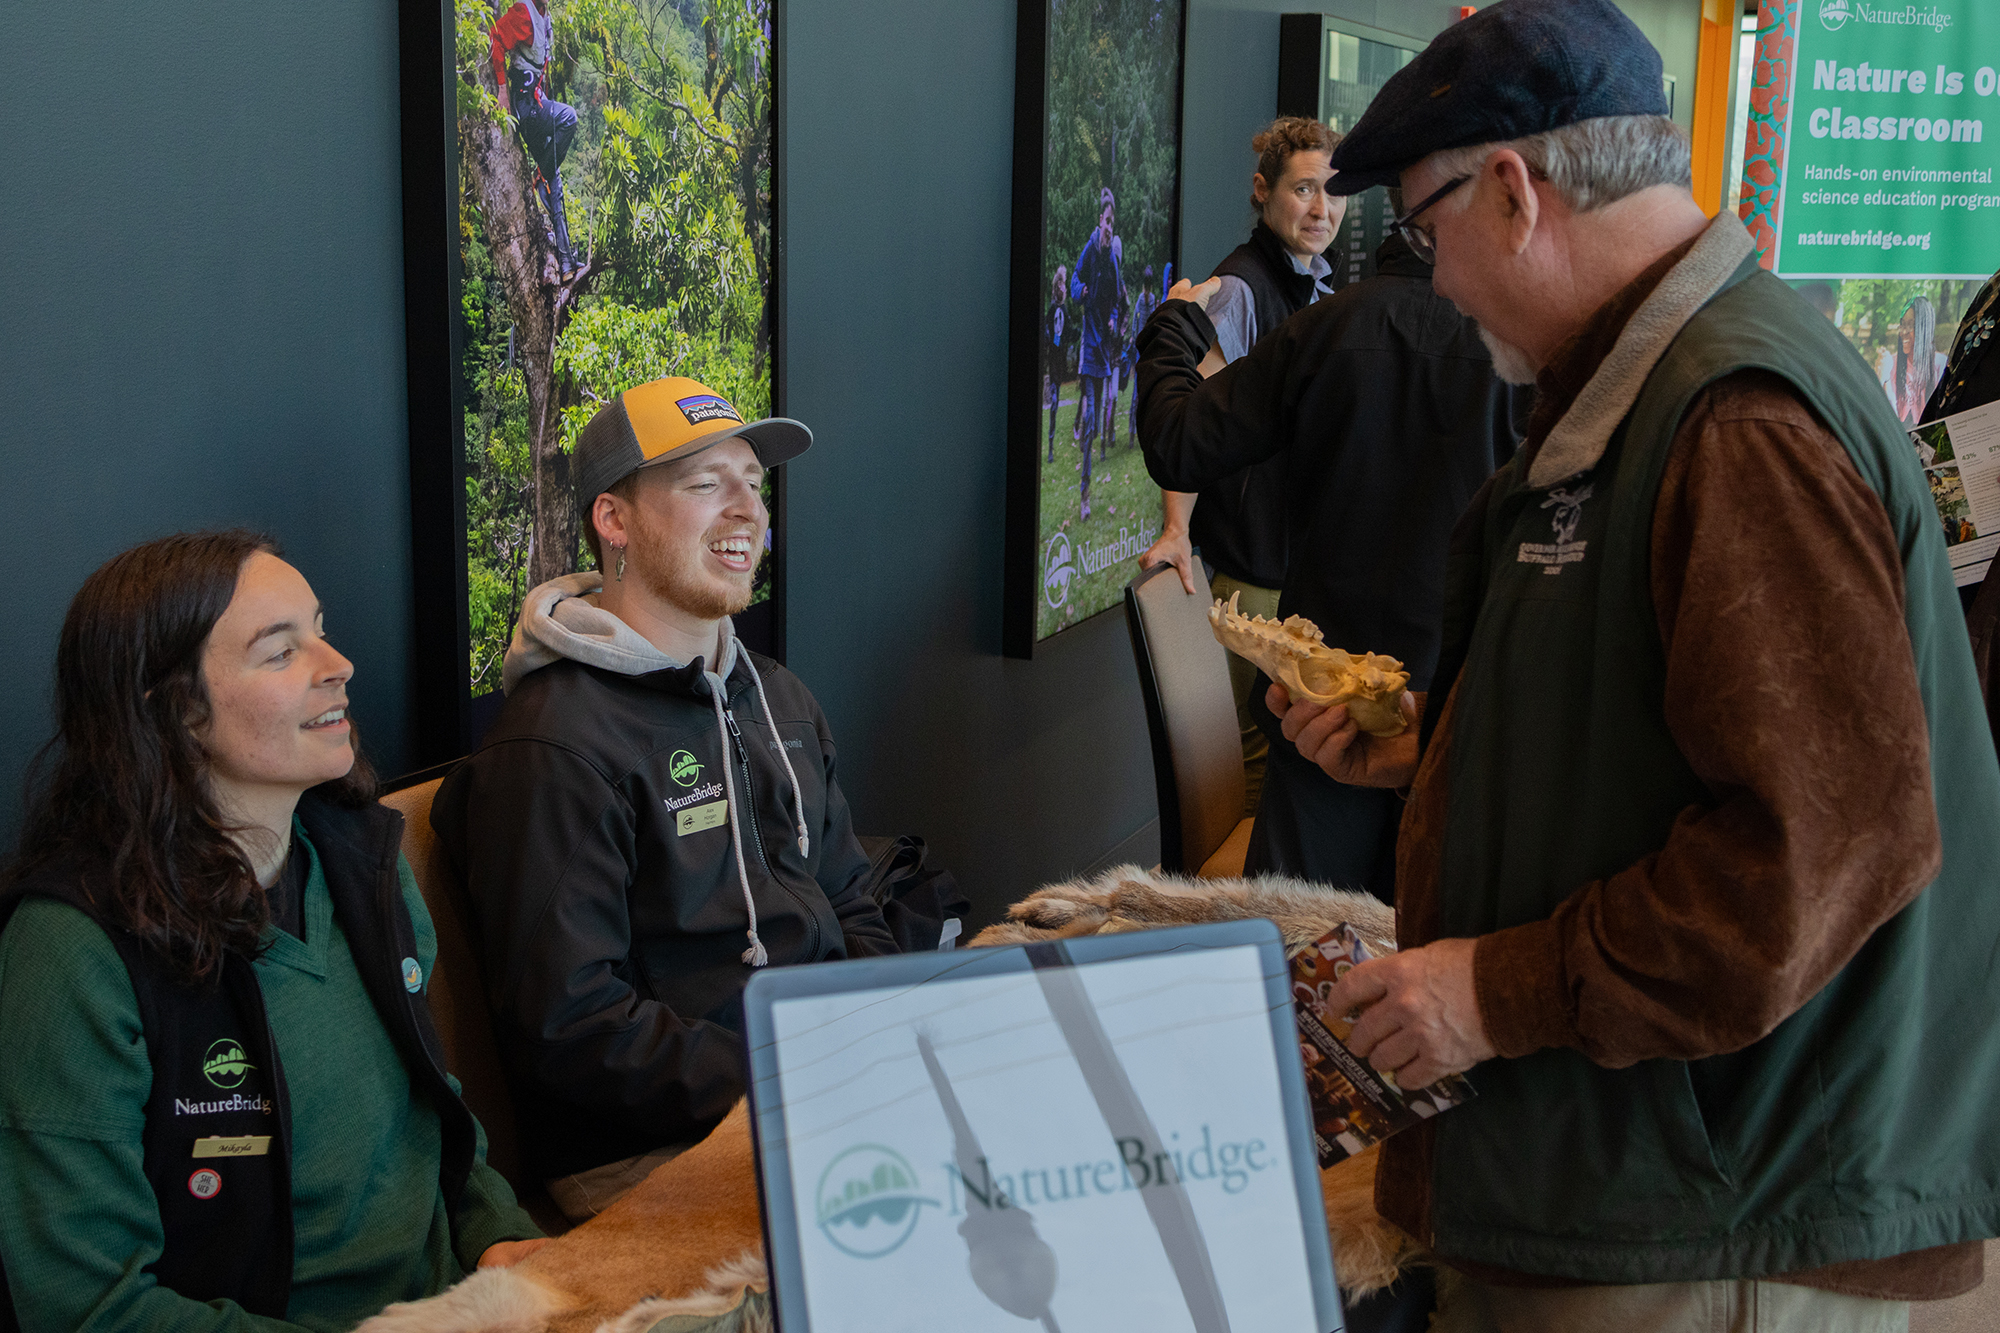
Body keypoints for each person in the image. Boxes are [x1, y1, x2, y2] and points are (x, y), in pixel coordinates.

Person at [1276, 1, 2000, 1327]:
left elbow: (1817, 845)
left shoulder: (1738, 420)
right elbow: (1667, 725)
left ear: (1513, 191)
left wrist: (1491, 992)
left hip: (1705, 1226)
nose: (1429, 279)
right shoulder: (1658, 384)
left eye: (1424, 230)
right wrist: (1433, 742)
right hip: (1647, 1186)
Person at [0, 532, 543, 1331]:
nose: (338, 664)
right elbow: (86, 1305)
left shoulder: (364, 856)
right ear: (176, 708)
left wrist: (501, 1237)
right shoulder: (71, 947)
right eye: (280, 651)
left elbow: (433, 1110)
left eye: (320, 628)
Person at [432, 375, 897, 1224]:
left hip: (810, 1080)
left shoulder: (779, 697)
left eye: (753, 482)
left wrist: (876, 1034)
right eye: (704, 484)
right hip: (648, 1145)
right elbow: (574, 1028)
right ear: (615, 519)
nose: (747, 509)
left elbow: (850, 898)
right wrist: (794, 1066)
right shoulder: (553, 747)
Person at [1136, 230, 1522, 896]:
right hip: (1457, 731)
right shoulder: (1523, 349)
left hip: (1315, 714)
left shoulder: (1327, 326)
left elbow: (1177, 441)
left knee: (1292, 975)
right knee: (1430, 975)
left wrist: (1178, 322)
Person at [1140, 117, 1346, 817]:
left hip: (1288, 570)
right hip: (1252, 579)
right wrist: (1177, 527)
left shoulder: (1313, 284)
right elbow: (1194, 425)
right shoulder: (1239, 289)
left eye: (1334, 192)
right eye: (1304, 189)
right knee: (1256, 763)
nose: (1322, 209)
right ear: (1263, 191)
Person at [491, 0, 581, 279]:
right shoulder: (524, 13)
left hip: (536, 103)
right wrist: (503, 90)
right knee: (569, 118)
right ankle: (539, 175)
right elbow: (496, 39)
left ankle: (566, 263)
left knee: (554, 176)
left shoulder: (543, 16)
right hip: (525, 107)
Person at [1070, 188, 1125, 517]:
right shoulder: (1091, 249)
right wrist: (1081, 291)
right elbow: (1075, 277)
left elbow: (1118, 300)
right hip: (1088, 347)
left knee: (1102, 412)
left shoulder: (1113, 260)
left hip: (1104, 348)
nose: (1108, 227)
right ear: (1099, 222)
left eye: (1112, 223)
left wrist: (1114, 321)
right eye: (1106, 221)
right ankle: (1085, 493)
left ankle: (1088, 440)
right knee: (1090, 418)